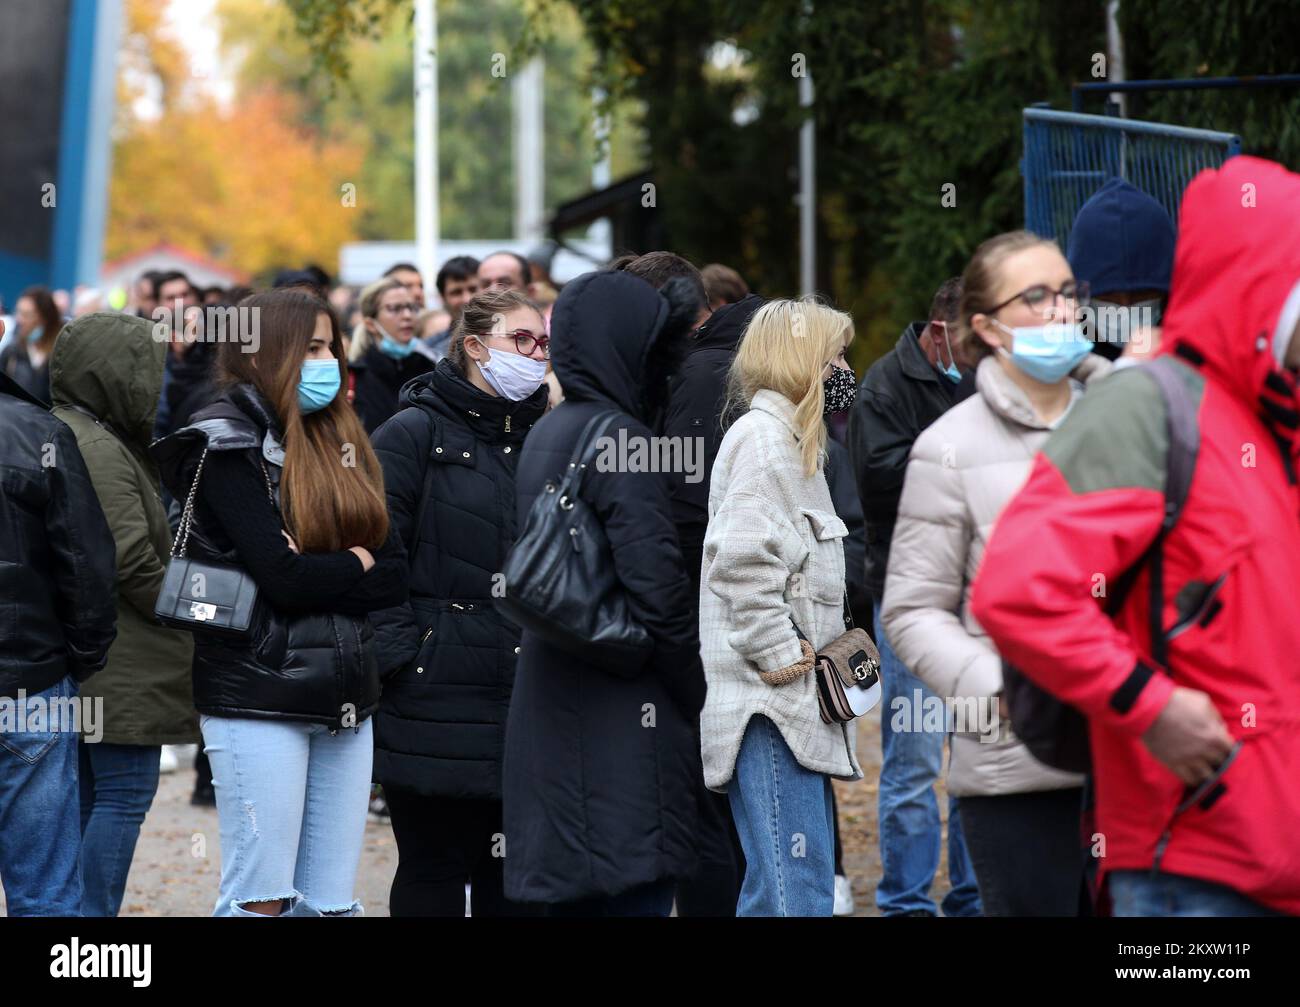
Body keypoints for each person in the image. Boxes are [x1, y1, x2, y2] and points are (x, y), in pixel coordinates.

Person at [971, 156, 1300, 918]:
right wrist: (1149, 707)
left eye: (1139, 296)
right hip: (1191, 867)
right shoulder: (1150, 410)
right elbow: (1019, 588)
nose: (1122, 314)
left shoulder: (1276, 429)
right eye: (1105, 298)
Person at [152, 288, 408, 917]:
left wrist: (325, 566)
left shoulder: (336, 436)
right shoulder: (223, 442)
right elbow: (282, 577)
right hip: (257, 691)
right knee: (261, 899)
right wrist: (353, 559)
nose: (327, 361)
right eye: (312, 347)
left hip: (347, 689)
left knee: (329, 903)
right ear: (268, 352)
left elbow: (395, 571)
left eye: (331, 346)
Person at [882, 230, 1109, 916]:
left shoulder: (1131, 414)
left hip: (1139, 758)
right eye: (1035, 297)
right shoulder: (947, 448)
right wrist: (1003, 689)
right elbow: (912, 610)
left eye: (1069, 293)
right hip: (1020, 773)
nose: (1061, 311)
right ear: (984, 326)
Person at [503, 270, 705, 917]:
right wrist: (700, 692)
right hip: (623, 711)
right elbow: (659, 591)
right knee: (632, 891)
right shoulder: (626, 440)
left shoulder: (550, 429)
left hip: (553, 693)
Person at [370, 289, 550, 916]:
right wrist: (403, 653)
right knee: (433, 866)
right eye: (520, 340)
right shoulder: (411, 433)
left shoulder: (544, 437)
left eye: (543, 343)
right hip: (433, 691)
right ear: (475, 347)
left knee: (511, 875)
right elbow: (375, 554)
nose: (536, 355)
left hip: (524, 691)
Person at [699, 297, 864, 917]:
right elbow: (740, 562)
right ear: (802, 362)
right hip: (772, 709)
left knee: (787, 887)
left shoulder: (794, 443)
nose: (844, 368)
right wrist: (778, 655)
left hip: (794, 709)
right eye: (835, 356)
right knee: (795, 890)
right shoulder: (765, 442)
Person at [47, 312, 200, 917]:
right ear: (116, 373)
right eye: (145, 370)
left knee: (87, 799)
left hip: (96, 660)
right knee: (122, 794)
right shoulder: (98, 445)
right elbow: (130, 559)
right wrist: (201, 610)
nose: (155, 384)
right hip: (125, 660)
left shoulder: (76, 431)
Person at [845, 277, 981, 917]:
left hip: (982, 595)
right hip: (911, 595)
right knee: (914, 760)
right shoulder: (884, 384)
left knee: (979, 755)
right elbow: (877, 483)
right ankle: (904, 902)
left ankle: (972, 896)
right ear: (938, 333)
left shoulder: (989, 374)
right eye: (969, 342)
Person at [0, 314, 118, 917]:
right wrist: (78, 658)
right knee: (44, 892)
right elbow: (88, 565)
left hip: (34, 679)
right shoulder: (37, 431)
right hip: (30, 685)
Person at [1067, 178, 1176, 363]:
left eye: (1142, 296)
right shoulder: (1061, 357)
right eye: (1109, 297)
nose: (1124, 310)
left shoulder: (1194, 354)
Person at [349, 277, 437, 434]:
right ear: (371, 324)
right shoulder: (353, 378)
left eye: (412, 307)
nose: (407, 315)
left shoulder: (431, 370)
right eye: (395, 309)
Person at [152, 271, 212, 440]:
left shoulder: (216, 348)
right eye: (171, 298)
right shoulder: (149, 355)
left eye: (185, 295)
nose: (181, 303)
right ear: (158, 306)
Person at [1, 285, 63, 403]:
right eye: (18, 312)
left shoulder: (60, 354)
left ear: (45, 318)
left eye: (27, 315)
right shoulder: (11, 353)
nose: (19, 320)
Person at [425, 255, 481, 359]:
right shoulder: (429, 352)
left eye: (473, 289)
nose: (467, 299)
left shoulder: (509, 340)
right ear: (442, 298)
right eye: (456, 292)